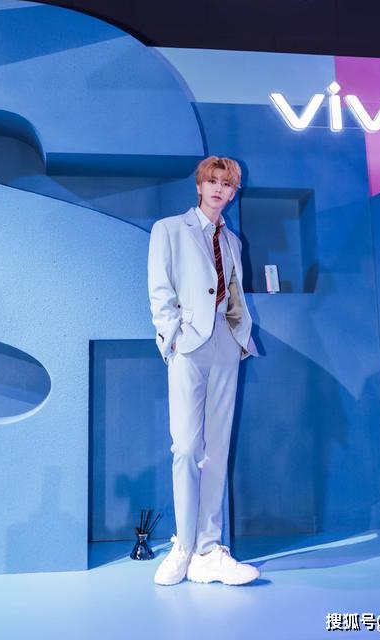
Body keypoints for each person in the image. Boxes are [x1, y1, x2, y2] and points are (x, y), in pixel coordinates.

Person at [148, 156, 260, 586]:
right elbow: (160, 290)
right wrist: (172, 338)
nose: (218, 189)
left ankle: (209, 550)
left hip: (226, 344)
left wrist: (238, 336)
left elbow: (232, 292)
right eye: (212, 181)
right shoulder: (169, 229)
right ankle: (183, 546)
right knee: (185, 446)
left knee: (217, 449)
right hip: (188, 345)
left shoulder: (232, 240)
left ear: (233, 192)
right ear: (199, 186)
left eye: (226, 184)